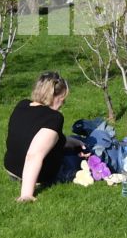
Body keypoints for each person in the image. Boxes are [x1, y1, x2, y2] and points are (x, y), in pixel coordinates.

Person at [5, 71, 83, 201]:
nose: (63, 103)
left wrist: (75, 142)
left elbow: (35, 137)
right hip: (36, 177)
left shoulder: (22, 105)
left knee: (76, 146)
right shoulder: (53, 118)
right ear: (53, 95)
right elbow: (34, 155)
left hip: (12, 170)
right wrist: (26, 194)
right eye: (62, 98)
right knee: (82, 161)